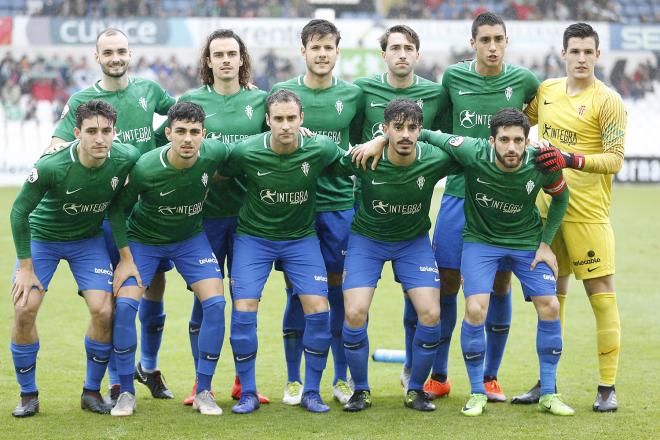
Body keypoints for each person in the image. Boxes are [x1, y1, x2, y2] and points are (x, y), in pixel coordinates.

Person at [50, 27, 176, 402]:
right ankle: (113, 380)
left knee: (154, 286)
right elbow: (58, 140)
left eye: (121, 50)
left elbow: (187, 112)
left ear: (130, 53)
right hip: (105, 213)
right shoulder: (81, 99)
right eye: (108, 52)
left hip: (149, 209)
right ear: (97, 57)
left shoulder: (149, 90)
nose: (116, 57)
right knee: (111, 297)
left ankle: (148, 367)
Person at [424, 12, 540, 402]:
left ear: (507, 42)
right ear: (472, 42)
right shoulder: (454, 78)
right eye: (485, 39)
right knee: (447, 282)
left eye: (499, 39)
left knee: (500, 283)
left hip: (504, 197)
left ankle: (491, 377)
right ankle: (439, 374)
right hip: (459, 193)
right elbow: (439, 123)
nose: (492, 47)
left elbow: (534, 119)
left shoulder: (524, 81)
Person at [516, 22, 626, 412]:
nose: (581, 58)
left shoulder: (608, 100)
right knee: (550, 301)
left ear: (598, 55)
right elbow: (516, 126)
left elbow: (615, 158)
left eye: (588, 51)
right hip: (547, 214)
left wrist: (571, 159)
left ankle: (607, 386)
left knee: (601, 299)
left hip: (588, 215)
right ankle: (548, 384)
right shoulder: (545, 91)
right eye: (574, 51)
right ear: (563, 54)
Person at [158, 29, 271, 407]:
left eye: (232, 54)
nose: (225, 60)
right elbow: (165, 147)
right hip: (202, 218)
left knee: (244, 299)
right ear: (207, 61)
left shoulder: (260, 101)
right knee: (203, 300)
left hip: (249, 218)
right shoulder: (191, 101)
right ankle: (199, 382)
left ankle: (243, 381)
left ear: (242, 60)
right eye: (218, 54)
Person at [9, 100, 140, 417]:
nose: (99, 139)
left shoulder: (126, 158)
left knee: (103, 309)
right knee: (25, 308)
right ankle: (28, 395)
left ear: (115, 133)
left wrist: (125, 257)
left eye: (106, 131)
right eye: (92, 131)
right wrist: (25, 267)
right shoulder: (52, 166)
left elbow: (118, 210)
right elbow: (18, 212)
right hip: (43, 239)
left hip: (87, 241)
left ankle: (91, 392)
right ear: (77, 132)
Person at [329, 99, 461, 412]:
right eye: (397, 128)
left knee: (431, 314)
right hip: (367, 242)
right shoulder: (363, 158)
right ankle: (360, 390)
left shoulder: (434, 158)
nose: (405, 134)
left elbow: (472, 153)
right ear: (385, 129)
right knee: (354, 313)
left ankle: (416, 389)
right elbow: (327, 165)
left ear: (420, 131)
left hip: (412, 243)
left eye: (412, 128)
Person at [224, 89, 345, 414]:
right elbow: (220, 171)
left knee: (319, 310)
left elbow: (349, 164)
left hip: (300, 239)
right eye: (278, 119)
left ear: (302, 119)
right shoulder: (247, 151)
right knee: (244, 308)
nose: (286, 125)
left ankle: (311, 392)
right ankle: (248, 392)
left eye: (292, 118)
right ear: (267, 121)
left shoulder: (320, 147)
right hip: (253, 239)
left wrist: (378, 143)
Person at [108, 101, 232, 417]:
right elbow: (117, 209)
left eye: (194, 132)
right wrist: (124, 257)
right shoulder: (145, 167)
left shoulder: (215, 153)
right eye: (180, 131)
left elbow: (250, 154)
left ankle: (204, 390)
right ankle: (125, 392)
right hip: (144, 242)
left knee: (216, 305)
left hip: (190, 240)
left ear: (204, 134)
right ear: (168, 133)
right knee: (124, 307)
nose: (188, 139)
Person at [271, 18, 364, 406]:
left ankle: (341, 379)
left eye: (329, 47)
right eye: (315, 47)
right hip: (297, 207)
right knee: (297, 294)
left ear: (337, 52)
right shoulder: (282, 94)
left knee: (339, 292)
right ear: (303, 51)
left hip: (340, 205)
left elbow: (361, 145)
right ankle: (294, 380)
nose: (322, 54)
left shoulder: (353, 96)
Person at [353, 24, 448, 391]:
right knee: (351, 307)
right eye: (395, 47)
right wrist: (378, 141)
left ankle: (418, 378)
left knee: (427, 307)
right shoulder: (362, 89)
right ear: (384, 54)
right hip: (366, 212)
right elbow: (345, 144)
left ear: (418, 54)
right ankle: (355, 386)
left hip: (413, 222)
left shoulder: (435, 93)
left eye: (409, 47)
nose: (402, 53)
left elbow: (445, 143)